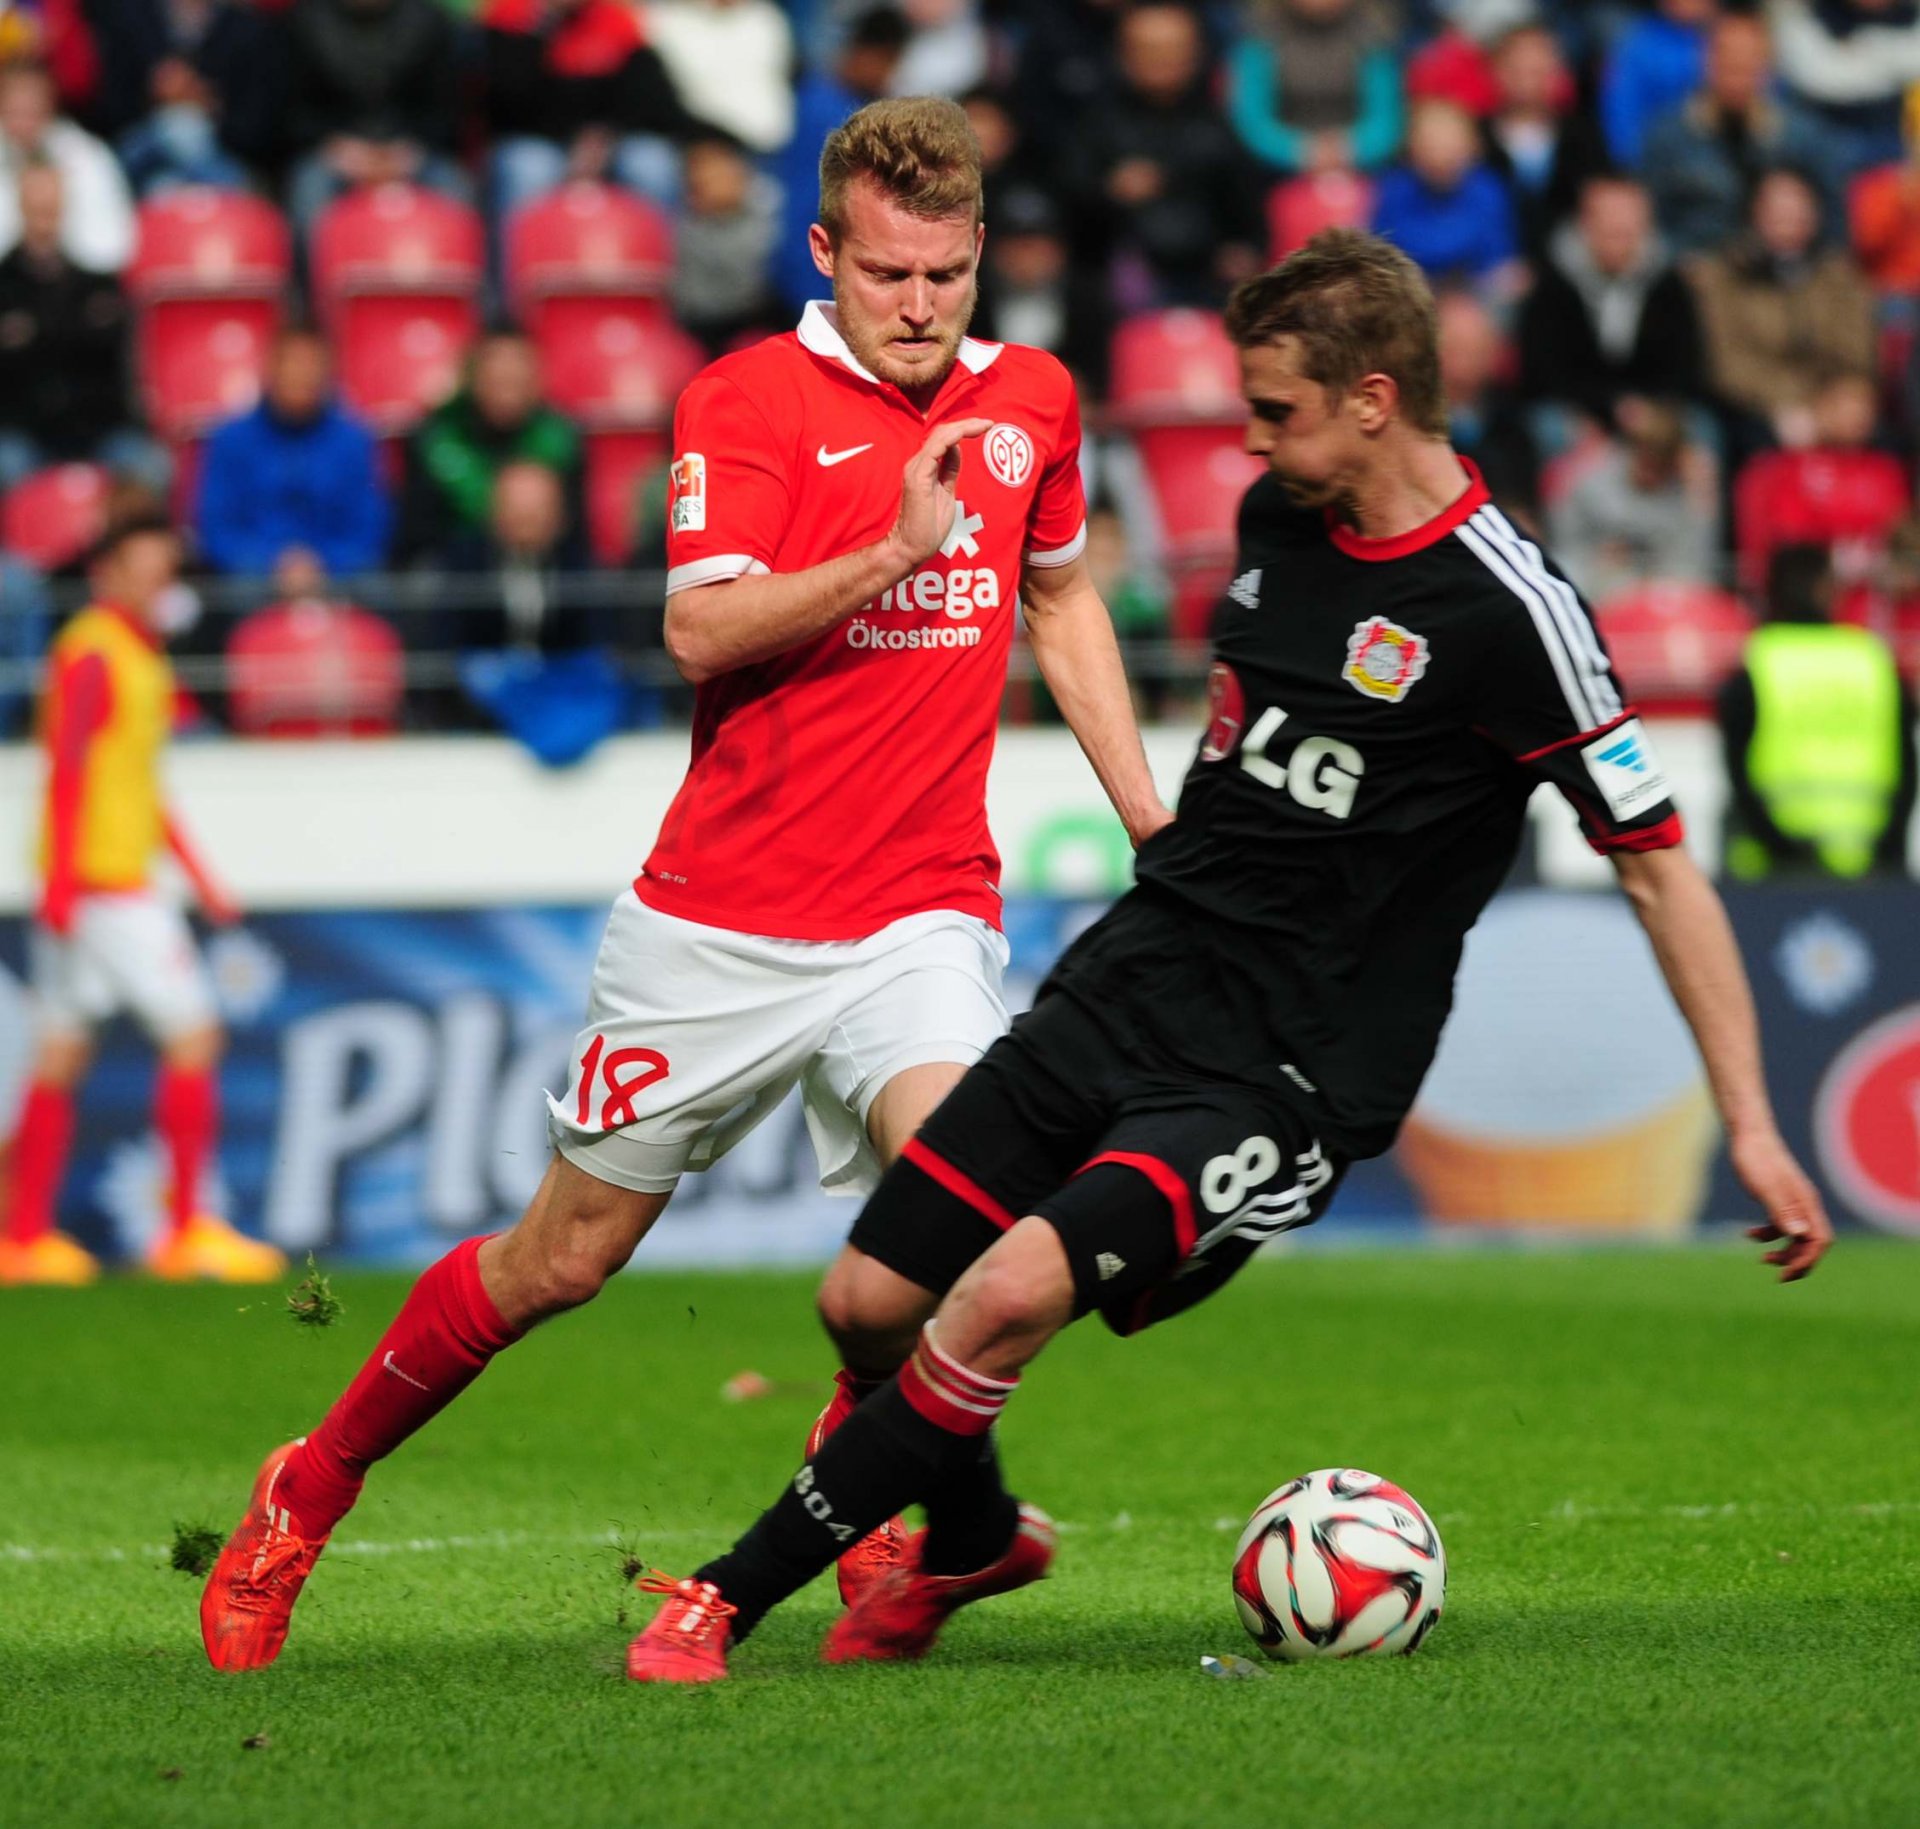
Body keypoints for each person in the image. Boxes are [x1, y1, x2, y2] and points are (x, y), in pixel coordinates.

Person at [623, 229, 1832, 1683]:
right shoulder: (1279, 523)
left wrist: (1754, 1125)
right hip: (1141, 973)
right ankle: (973, 1537)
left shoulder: (1515, 614)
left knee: (1005, 1295)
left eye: (1277, 412)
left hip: (1288, 1063)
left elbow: (1659, 872)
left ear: (1374, 400)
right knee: (863, 1304)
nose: (1250, 444)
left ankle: (725, 1598)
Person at [198, 95, 1170, 1674]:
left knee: (965, 1231)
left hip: (920, 912)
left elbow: (1059, 600)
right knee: (557, 1264)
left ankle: (887, 1521)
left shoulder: (1036, 400)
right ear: (824, 255)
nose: (919, 308)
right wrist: (895, 553)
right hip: (718, 922)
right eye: (887, 275)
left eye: (946, 274)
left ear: (981, 254)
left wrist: (1150, 818)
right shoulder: (744, 400)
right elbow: (703, 634)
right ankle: (309, 1486)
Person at [0, 513, 284, 1288]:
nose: (160, 584)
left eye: (167, 571)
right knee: (193, 1037)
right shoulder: (92, 653)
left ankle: (21, 1239)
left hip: (100, 879)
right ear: (110, 574)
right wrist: (60, 879)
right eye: (148, 570)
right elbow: (64, 768)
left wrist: (198, 873)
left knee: (60, 1055)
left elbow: (137, 783)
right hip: (104, 886)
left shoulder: (135, 653)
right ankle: (186, 1228)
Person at [1719, 542, 1917, 878]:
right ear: (1826, 588)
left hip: (1770, 874)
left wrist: (1784, 849)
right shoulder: (1873, 661)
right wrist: (1888, 854)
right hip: (1869, 868)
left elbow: (1737, 775)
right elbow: (1907, 775)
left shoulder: (1754, 663)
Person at [1061, 0, 1265, 312]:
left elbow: (1247, 208)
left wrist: (1243, 249)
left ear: (1195, 53)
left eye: (1173, 49)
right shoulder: (1096, 122)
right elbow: (1069, 198)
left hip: (1208, 280)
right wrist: (1110, 192)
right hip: (1122, 280)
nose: (1161, 60)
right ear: (1123, 53)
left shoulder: (1220, 123)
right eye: (1148, 49)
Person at [0, 162, 171, 495]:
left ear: (64, 202)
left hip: (97, 430)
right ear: (19, 201)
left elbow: (117, 363)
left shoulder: (98, 285)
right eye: (35, 197)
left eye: (51, 196)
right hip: (22, 432)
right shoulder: (4, 286)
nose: (44, 207)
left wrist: (34, 335)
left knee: (153, 467)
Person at [1687, 165, 1876, 452]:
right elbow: (1726, 362)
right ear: (1754, 214)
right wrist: (1789, 405)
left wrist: (1835, 405)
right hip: (1755, 407)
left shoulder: (1839, 275)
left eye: (1799, 209)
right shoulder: (1724, 276)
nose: (1789, 219)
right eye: (1777, 210)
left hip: (1834, 403)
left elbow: (1857, 350)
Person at [195, 326, 392, 595]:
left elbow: (370, 527)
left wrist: (324, 564)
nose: (302, 375)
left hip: (337, 575)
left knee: (380, 589)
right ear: (270, 369)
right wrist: (272, 564)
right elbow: (216, 528)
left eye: (312, 365)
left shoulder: (355, 440)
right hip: (253, 576)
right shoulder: (230, 439)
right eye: (292, 363)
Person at [480, 0, 697, 227]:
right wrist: (543, 25)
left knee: (651, 162)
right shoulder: (508, 16)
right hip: (536, 138)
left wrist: (606, 134)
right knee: (529, 168)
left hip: (608, 139)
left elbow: (652, 100)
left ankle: (659, 259)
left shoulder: (616, 19)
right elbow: (506, 102)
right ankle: (517, 262)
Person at [1518, 174, 1707, 435]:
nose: (1620, 243)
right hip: (1575, 408)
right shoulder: (1554, 283)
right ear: (1585, 224)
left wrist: (1648, 410)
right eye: (1610, 231)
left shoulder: (1668, 284)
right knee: (1548, 427)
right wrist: (1608, 407)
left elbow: (1685, 366)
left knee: (1700, 429)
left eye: (1628, 232)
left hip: (1654, 407)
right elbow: (1543, 371)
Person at [1642, 12, 1833, 256]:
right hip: (1696, 270)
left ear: (1767, 69)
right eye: (1729, 67)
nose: (1738, 82)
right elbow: (1650, 226)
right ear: (1707, 63)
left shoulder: (1801, 139)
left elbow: (1830, 228)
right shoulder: (1668, 137)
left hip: (1781, 278)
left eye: (1748, 68)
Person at [282, 0, 468, 239]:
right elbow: (290, 115)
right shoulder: (304, 21)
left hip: (411, 149)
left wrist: (407, 152)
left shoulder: (430, 21)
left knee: (454, 191)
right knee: (310, 190)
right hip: (333, 151)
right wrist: (339, 148)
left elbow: (446, 114)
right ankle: (312, 276)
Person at [397, 331, 584, 567]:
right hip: (458, 578)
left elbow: (577, 539)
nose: (507, 395)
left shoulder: (561, 438)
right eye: (498, 380)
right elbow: (416, 538)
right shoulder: (435, 439)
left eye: (517, 381)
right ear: (473, 379)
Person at [85, 0, 285, 196]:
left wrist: (206, 106)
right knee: (179, 128)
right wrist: (155, 96)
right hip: (140, 147)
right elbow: (108, 113)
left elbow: (259, 129)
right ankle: (237, 193)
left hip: (213, 152)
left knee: (164, 184)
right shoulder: (130, 17)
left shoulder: (245, 29)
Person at [1548, 398, 1720, 602]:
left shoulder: (1688, 495)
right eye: (1644, 463)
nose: (1649, 474)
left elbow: (1693, 566)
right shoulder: (1592, 481)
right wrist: (1599, 561)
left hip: (1659, 596)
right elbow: (1565, 547)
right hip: (1597, 585)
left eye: (1659, 468)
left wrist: (1701, 498)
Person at [1226, 0, 1404, 179]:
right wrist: (1301, 151)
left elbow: (1386, 118)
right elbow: (1252, 118)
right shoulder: (1259, 34)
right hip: (1276, 171)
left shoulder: (1375, 33)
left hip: (1363, 168)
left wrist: (1348, 149)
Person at [1369, 95, 1520, 291]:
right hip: (1413, 291)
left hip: (1474, 294)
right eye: (1431, 146)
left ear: (1473, 147)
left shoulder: (1489, 190)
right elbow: (1386, 252)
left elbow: (1498, 257)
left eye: (1450, 146)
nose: (1440, 157)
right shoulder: (1393, 189)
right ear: (1412, 148)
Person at [0, 59, 134, 271]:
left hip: (76, 284)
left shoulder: (86, 156)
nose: (23, 122)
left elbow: (111, 248)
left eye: (31, 111)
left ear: (51, 108)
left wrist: (50, 238)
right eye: (14, 111)